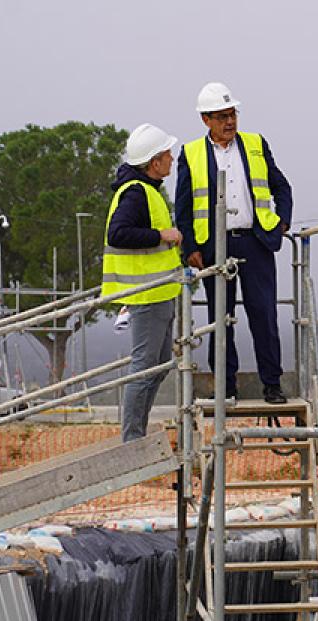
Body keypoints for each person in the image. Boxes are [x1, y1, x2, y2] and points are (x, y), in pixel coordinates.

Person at [175, 82, 293, 404]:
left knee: (264, 315)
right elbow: (183, 207)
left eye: (233, 114)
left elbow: (281, 186)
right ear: (206, 120)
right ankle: (225, 387)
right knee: (220, 319)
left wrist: (282, 220)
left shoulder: (255, 144)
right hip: (215, 247)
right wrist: (191, 250)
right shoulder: (191, 154)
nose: (230, 122)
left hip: (255, 242)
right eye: (222, 116)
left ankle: (272, 384)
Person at [102, 123, 183, 441]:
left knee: (159, 365)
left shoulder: (146, 190)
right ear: (153, 162)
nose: (171, 159)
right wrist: (162, 235)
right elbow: (118, 233)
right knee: (145, 366)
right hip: (148, 295)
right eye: (166, 155)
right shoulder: (136, 193)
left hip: (160, 292)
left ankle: (137, 432)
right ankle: (132, 439)